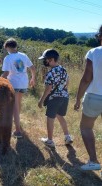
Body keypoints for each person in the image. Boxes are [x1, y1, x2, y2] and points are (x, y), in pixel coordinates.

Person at [74, 25, 102, 171]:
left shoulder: (94, 52)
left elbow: (86, 79)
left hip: (95, 97)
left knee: (86, 127)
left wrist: (78, 98)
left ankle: (94, 161)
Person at [1, 38, 36, 138]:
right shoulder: (23, 55)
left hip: (14, 83)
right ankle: (17, 121)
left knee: (14, 107)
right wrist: (33, 79)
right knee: (18, 104)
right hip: (23, 83)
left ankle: (18, 131)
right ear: (16, 46)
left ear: (7, 47)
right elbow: (33, 68)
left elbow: (6, 73)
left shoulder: (8, 58)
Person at [38, 49, 73, 148]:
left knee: (50, 118)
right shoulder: (63, 69)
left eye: (45, 59)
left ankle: (49, 141)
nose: (44, 61)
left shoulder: (50, 73)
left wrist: (41, 100)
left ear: (51, 59)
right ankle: (67, 137)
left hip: (54, 98)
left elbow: (48, 89)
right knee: (60, 116)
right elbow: (67, 82)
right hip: (65, 97)